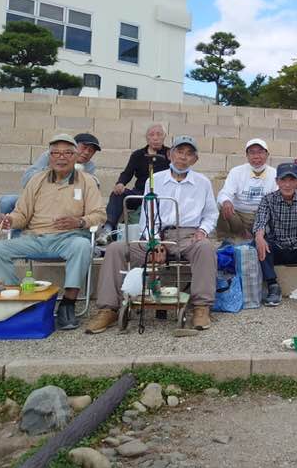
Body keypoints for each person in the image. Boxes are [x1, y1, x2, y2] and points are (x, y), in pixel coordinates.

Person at [85, 135, 219, 333]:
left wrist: (203, 230)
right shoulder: (154, 180)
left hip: (186, 235)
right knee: (115, 249)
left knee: (206, 248)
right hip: (154, 234)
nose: (183, 157)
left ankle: (201, 306)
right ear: (169, 154)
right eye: (179, 152)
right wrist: (154, 241)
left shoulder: (203, 182)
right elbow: (147, 216)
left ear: (195, 160)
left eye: (189, 154)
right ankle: (108, 309)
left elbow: (210, 213)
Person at [0, 134, 106, 331]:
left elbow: (99, 214)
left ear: (75, 157)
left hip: (69, 238)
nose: (61, 157)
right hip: (36, 238)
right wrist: (10, 220)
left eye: (67, 153)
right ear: (49, 157)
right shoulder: (37, 180)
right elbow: (22, 213)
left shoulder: (87, 181)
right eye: (55, 153)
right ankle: (18, 300)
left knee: (82, 245)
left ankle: (68, 304)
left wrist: (80, 221)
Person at [253, 162, 297, 307]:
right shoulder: (268, 199)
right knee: (260, 241)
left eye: (292, 180)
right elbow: (260, 221)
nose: (287, 184)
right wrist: (259, 236)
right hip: (278, 247)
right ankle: (273, 285)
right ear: (277, 181)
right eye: (283, 180)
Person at [0, 132, 101, 214]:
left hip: (67, 203)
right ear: (73, 146)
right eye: (84, 147)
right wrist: (52, 168)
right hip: (40, 197)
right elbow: (26, 181)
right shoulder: (50, 156)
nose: (87, 152)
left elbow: (90, 190)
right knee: (6, 201)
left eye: (91, 151)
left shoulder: (89, 166)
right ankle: (15, 233)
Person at [100, 124, 170, 241]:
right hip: (140, 193)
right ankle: (108, 228)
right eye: (151, 135)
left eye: (159, 134)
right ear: (147, 138)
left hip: (162, 194)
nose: (155, 138)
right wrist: (120, 183)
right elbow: (127, 173)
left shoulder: (170, 154)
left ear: (164, 137)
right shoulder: (138, 155)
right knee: (118, 194)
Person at [216, 138, 277, 240]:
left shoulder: (274, 173)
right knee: (224, 207)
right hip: (239, 215)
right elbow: (225, 193)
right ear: (247, 156)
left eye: (260, 152)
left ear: (267, 155)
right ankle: (226, 239)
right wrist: (226, 201)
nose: (256, 156)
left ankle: (256, 236)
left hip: (261, 214)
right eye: (252, 153)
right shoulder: (236, 171)